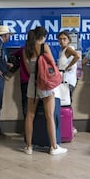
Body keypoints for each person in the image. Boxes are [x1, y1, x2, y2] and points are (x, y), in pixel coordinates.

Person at [22, 26, 67, 156]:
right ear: (43, 36)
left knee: (30, 115)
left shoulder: (27, 49)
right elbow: (52, 64)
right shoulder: (44, 47)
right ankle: (53, 147)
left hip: (32, 82)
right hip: (45, 83)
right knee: (49, 116)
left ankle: (29, 147)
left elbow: (27, 68)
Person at [57, 31, 80, 134]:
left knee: (67, 103)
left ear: (69, 40)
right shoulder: (62, 50)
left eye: (64, 39)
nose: (62, 41)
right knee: (66, 103)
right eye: (60, 39)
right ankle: (68, 126)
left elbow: (77, 56)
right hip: (63, 80)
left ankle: (70, 127)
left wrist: (69, 66)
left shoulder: (68, 49)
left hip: (68, 81)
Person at [11, 44, 30, 120]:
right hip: (35, 81)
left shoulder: (23, 49)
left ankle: (27, 127)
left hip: (24, 80)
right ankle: (36, 127)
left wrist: (17, 64)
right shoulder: (38, 49)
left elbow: (12, 56)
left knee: (25, 103)